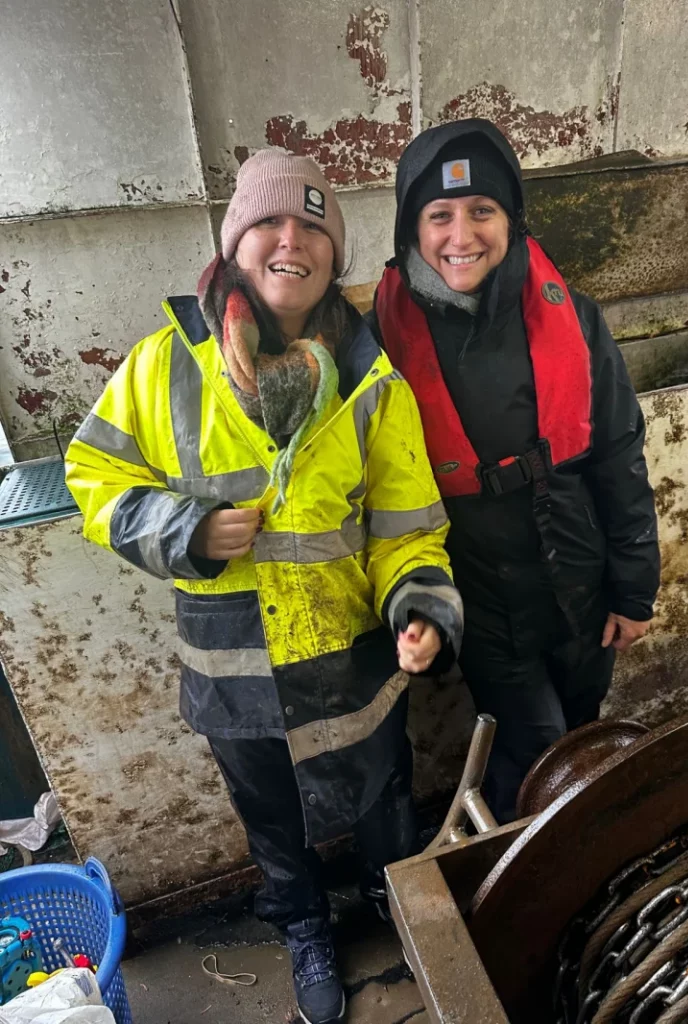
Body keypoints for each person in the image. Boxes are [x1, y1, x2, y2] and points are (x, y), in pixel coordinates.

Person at [65, 150, 463, 1024]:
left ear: (335, 256)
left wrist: (420, 605)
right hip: (232, 667)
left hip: (355, 659)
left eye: (315, 229)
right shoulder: (165, 363)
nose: (294, 242)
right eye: (271, 224)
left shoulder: (369, 378)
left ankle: (395, 908)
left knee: (385, 807)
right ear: (235, 241)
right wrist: (184, 530)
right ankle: (307, 928)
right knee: (274, 826)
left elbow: (408, 525)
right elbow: (90, 475)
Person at [368, 118, 659, 824]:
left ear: (511, 219)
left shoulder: (576, 317)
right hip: (485, 591)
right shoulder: (379, 343)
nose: (460, 236)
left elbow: (619, 453)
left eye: (482, 211)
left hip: (581, 577)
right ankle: (526, 884)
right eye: (439, 215)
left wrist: (634, 588)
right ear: (413, 230)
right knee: (534, 747)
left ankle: (578, 874)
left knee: (584, 731)